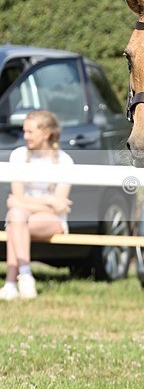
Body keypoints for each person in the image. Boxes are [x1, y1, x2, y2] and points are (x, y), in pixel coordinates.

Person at [0, 110, 73, 300]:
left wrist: (23, 203)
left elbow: (59, 209)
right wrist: (49, 200)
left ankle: (10, 282)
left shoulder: (65, 161)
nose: (25, 136)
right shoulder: (17, 156)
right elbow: (52, 201)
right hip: (22, 217)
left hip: (52, 221)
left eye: (30, 132)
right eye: (24, 131)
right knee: (16, 218)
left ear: (46, 133)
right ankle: (24, 275)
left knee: (16, 219)